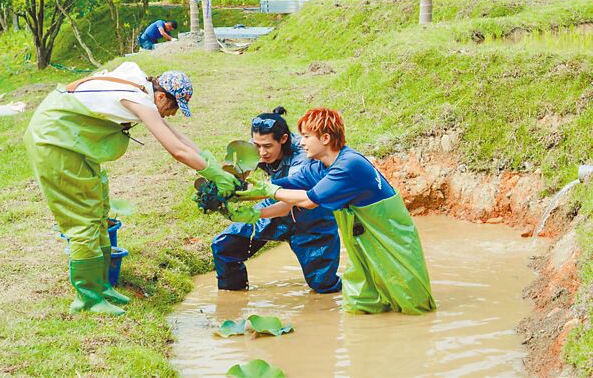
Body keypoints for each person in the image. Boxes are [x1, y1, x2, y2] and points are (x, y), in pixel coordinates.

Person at [24, 62, 239, 316]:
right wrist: (210, 173)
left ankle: (102, 286)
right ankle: (88, 298)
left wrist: (210, 162)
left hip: (72, 141)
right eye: (172, 107)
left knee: (100, 210)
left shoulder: (139, 85)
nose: (171, 114)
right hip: (54, 142)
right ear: (160, 96)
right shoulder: (139, 99)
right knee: (83, 219)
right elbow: (176, 150)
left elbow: (177, 136)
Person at [230, 108, 436, 315]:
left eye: (306, 136)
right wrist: (241, 197)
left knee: (411, 303)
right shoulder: (320, 167)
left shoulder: (349, 165)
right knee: (360, 304)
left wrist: (269, 191)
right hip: (362, 239)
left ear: (326, 138)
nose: (300, 143)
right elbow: (286, 186)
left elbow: (308, 200)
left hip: (391, 237)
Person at [211, 107, 342, 293]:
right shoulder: (257, 147)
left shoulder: (303, 157)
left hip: (311, 217)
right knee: (224, 246)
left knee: (323, 285)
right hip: (275, 201)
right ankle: (233, 303)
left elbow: (289, 204)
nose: (261, 152)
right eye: (257, 145)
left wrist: (253, 214)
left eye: (267, 147)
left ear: (283, 140)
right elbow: (237, 178)